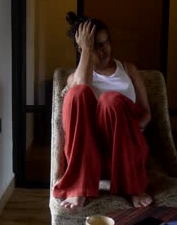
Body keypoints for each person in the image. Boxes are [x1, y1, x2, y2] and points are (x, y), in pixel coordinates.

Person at [53, 12, 153, 210]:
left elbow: (146, 112)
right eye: (94, 46)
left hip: (126, 151)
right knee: (76, 94)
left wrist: (129, 128)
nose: (103, 50)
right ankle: (79, 188)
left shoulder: (128, 69)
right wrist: (86, 50)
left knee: (111, 100)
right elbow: (80, 86)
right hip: (91, 159)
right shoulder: (74, 77)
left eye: (105, 42)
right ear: (82, 50)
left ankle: (132, 186)